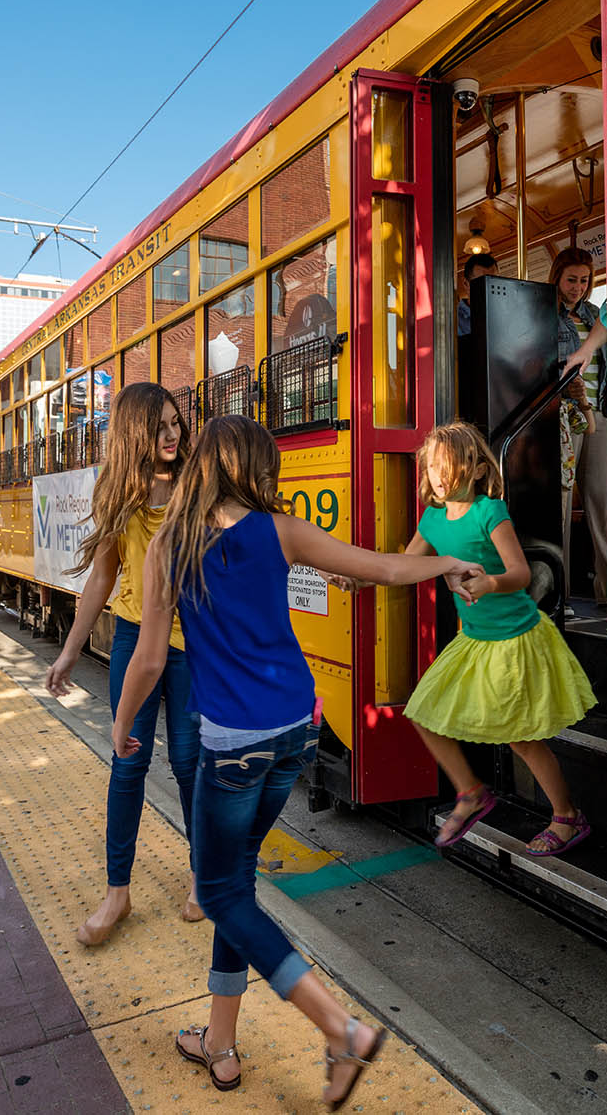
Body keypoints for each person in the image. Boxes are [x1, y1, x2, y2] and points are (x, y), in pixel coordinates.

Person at [113, 415, 482, 1102]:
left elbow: (151, 655)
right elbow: (381, 566)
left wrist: (122, 720)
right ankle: (219, 1041)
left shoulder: (170, 543)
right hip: (296, 732)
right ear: (253, 467)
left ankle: (340, 1028)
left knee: (220, 891)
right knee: (236, 885)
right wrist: (448, 562)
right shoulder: (277, 527)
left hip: (231, 747)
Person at [43, 383, 203, 945]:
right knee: (127, 763)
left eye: (176, 423)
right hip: (136, 639)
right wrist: (69, 650)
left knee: (188, 763)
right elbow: (102, 577)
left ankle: (201, 877)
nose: (172, 434)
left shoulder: (197, 485)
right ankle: (118, 893)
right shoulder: (116, 494)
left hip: (192, 645)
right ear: (135, 430)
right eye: (160, 425)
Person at [401, 421, 596, 856]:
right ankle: (471, 792)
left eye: (445, 466)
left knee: (520, 737)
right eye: (430, 468)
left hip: (514, 638)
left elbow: (522, 574)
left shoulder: (490, 512)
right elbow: (403, 565)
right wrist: (356, 580)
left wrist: (489, 583)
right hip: (475, 640)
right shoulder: (432, 519)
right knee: (422, 713)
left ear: (472, 468)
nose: (437, 476)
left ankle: (567, 816)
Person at [550, 248, 607, 603]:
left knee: (603, 498)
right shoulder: (545, 313)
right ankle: (561, 592)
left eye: (584, 281)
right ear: (557, 276)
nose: (577, 287)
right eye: (571, 279)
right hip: (564, 414)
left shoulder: (594, 314)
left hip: (598, 412)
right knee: (560, 500)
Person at [456, 251, 497, 337]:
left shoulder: (503, 315)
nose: (488, 288)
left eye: (494, 282)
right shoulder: (453, 321)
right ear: (466, 284)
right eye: (481, 282)